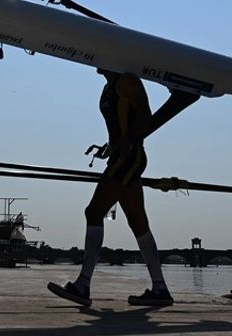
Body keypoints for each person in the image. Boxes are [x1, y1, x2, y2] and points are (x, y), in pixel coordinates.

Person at [48, 69, 174, 308]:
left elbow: (145, 115)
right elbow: (121, 125)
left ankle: (83, 285)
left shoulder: (127, 80)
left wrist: (127, 141)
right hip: (122, 156)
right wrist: (112, 145)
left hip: (129, 158)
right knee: (138, 223)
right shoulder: (110, 85)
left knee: (94, 211)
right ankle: (160, 289)